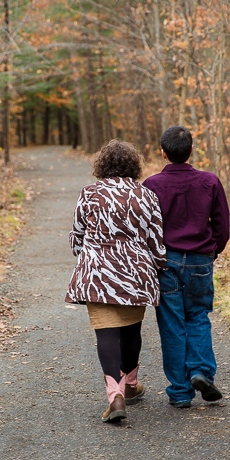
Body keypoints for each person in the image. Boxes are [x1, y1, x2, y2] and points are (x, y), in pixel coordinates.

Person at [66, 140, 166, 422]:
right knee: (132, 330)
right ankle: (131, 385)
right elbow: (156, 240)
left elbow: (77, 239)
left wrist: (89, 254)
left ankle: (116, 396)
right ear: (134, 166)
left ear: (102, 166)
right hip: (136, 273)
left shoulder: (89, 194)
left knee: (106, 333)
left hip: (97, 274)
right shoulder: (146, 195)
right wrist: (158, 266)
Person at [143, 126, 230, 407]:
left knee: (172, 324)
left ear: (163, 153)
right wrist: (213, 249)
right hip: (200, 260)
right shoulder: (210, 181)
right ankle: (201, 372)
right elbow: (222, 225)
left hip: (166, 261)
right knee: (198, 316)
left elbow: (147, 229)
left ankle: (180, 392)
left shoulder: (152, 185)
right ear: (191, 150)